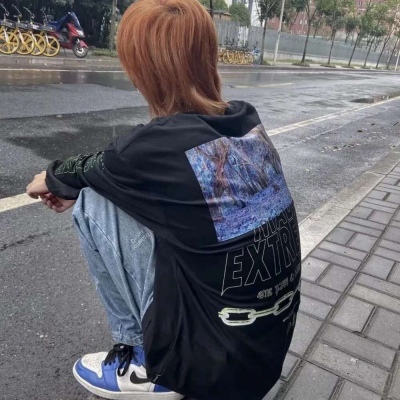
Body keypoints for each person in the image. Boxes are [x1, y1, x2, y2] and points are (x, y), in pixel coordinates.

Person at [26, 0, 302, 399]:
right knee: (119, 192)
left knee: (93, 201)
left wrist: (55, 181)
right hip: (263, 358)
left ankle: (145, 364)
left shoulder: (151, 148)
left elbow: (69, 173)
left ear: (144, 71)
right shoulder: (245, 120)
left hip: (213, 373)